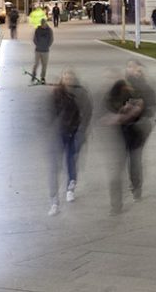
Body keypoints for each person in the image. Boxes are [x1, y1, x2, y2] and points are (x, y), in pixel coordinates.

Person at [104, 61, 156, 214]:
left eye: (135, 67)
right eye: (129, 66)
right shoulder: (120, 85)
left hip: (138, 130)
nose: (132, 69)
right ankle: (116, 205)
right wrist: (121, 108)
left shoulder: (146, 87)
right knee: (118, 166)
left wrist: (140, 110)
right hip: (121, 131)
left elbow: (153, 107)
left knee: (134, 160)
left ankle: (136, 188)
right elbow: (108, 102)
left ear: (141, 70)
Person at [47, 69, 92, 216]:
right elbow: (51, 112)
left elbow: (87, 112)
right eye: (65, 77)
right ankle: (54, 201)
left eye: (70, 77)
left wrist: (82, 129)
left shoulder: (81, 93)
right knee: (56, 166)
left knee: (71, 160)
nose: (67, 80)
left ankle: (70, 187)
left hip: (75, 132)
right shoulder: (57, 93)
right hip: (60, 133)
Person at [31, 18, 54, 84]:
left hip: (45, 50)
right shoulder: (37, 30)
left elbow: (51, 39)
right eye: (41, 24)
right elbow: (34, 39)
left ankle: (43, 77)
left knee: (44, 65)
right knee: (36, 64)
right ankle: (34, 74)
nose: (42, 25)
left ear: (45, 23)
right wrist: (38, 45)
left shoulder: (49, 30)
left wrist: (47, 45)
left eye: (43, 24)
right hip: (38, 50)